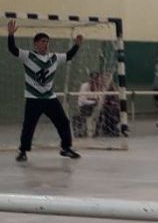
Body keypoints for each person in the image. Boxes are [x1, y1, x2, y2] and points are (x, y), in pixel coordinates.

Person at [6, 20, 83, 162]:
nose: (45, 44)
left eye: (47, 42)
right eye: (42, 41)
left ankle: (65, 148)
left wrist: (77, 45)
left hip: (49, 98)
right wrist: (10, 35)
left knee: (63, 122)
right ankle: (23, 151)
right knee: (29, 126)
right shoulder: (27, 56)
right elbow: (12, 49)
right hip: (33, 98)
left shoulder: (54, 58)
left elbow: (69, 55)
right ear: (35, 44)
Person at [75, 72, 104, 138]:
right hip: (84, 106)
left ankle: (95, 131)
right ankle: (89, 130)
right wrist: (93, 102)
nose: (96, 81)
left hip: (94, 107)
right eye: (94, 79)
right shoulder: (85, 86)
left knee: (100, 110)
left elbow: (100, 100)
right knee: (93, 110)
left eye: (97, 79)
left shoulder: (99, 87)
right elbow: (82, 100)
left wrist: (97, 102)